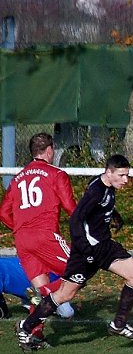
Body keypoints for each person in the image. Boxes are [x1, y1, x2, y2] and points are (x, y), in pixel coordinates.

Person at [16, 154, 133, 352]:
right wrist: (85, 250)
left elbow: (103, 206)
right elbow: (76, 220)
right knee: (64, 295)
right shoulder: (96, 191)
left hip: (105, 246)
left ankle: (118, 324)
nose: (126, 180)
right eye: (122, 175)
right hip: (85, 251)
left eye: (127, 175)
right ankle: (25, 328)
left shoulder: (108, 187)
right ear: (109, 172)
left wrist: (115, 216)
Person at [0, 132, 77, 316]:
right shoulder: (56, 174)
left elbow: (3, 213)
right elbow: (71, 208)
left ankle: (32, 332)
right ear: (49, 151)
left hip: (22, 239)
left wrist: (20, 228)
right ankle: (43, 292)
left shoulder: (18, 178)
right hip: (44, 235)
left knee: (46, 300)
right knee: (81, 268)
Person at [0, 256, 74, 319]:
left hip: (46, 287)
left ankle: (36, 302)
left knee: (66, 313)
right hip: (28, 286)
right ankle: (31, 301)